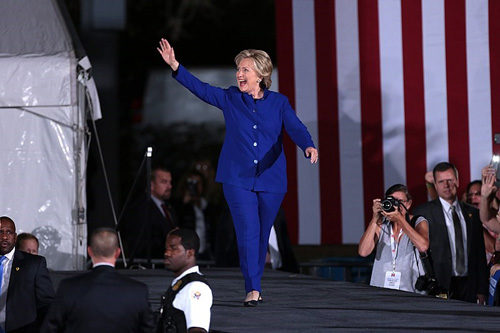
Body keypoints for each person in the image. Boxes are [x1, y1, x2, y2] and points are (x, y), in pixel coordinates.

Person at [157, 38, 318, 306]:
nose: (239, 74)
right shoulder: (230, 98)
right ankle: (252, 288)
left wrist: (308, 146)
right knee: (248, 230)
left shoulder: (279, 102)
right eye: (238, 70)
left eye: (245, 70)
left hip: (271, 179)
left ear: (261, 75)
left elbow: (296, 127)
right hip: (237, 178)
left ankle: (255, 284)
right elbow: (202, 89)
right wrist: (176, 66)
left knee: (262, 231)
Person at [41, 228, 154, 332]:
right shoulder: (138, 291)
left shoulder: (68, 287)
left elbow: (50, 328)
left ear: (89, 252)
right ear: (117, 253)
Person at [413, 162, 488, 303]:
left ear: (458, 181)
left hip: (469, 286)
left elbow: (479, 254)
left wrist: (482, 290)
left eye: (450, 180)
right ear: (435, 184)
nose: (446, 185)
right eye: (441, 181)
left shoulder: (473, 213)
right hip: (438, 287)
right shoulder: (423, 213)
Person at [358, 184, 429, 292]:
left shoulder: (418, 221)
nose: (397, 206)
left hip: (411, 292)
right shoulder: (381, 224)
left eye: (400, 201)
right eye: (393, 201)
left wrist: (400, 219)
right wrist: (374, 219)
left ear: (408, 204)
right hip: (381, 291)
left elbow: (423, 246)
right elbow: (363, 252)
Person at [0, 216, 55, 332]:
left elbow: (47, 303)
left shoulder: (34, 264)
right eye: (0, 232)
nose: (4, 237)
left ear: (15, 237)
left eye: (8, 232)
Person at [158, 229, 212, 333]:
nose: (167, 253)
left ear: (190, 253)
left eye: (173, 248)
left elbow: (197, 330)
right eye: (166, 248)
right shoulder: (181, 283)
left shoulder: (195, 287)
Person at [122, 166, 178, 261]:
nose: (169, 186)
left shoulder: (168, 207)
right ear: (151, 185)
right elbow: (140, 243)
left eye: (170, 182)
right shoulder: (141, 208)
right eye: (164, 182)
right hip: (150, 265)